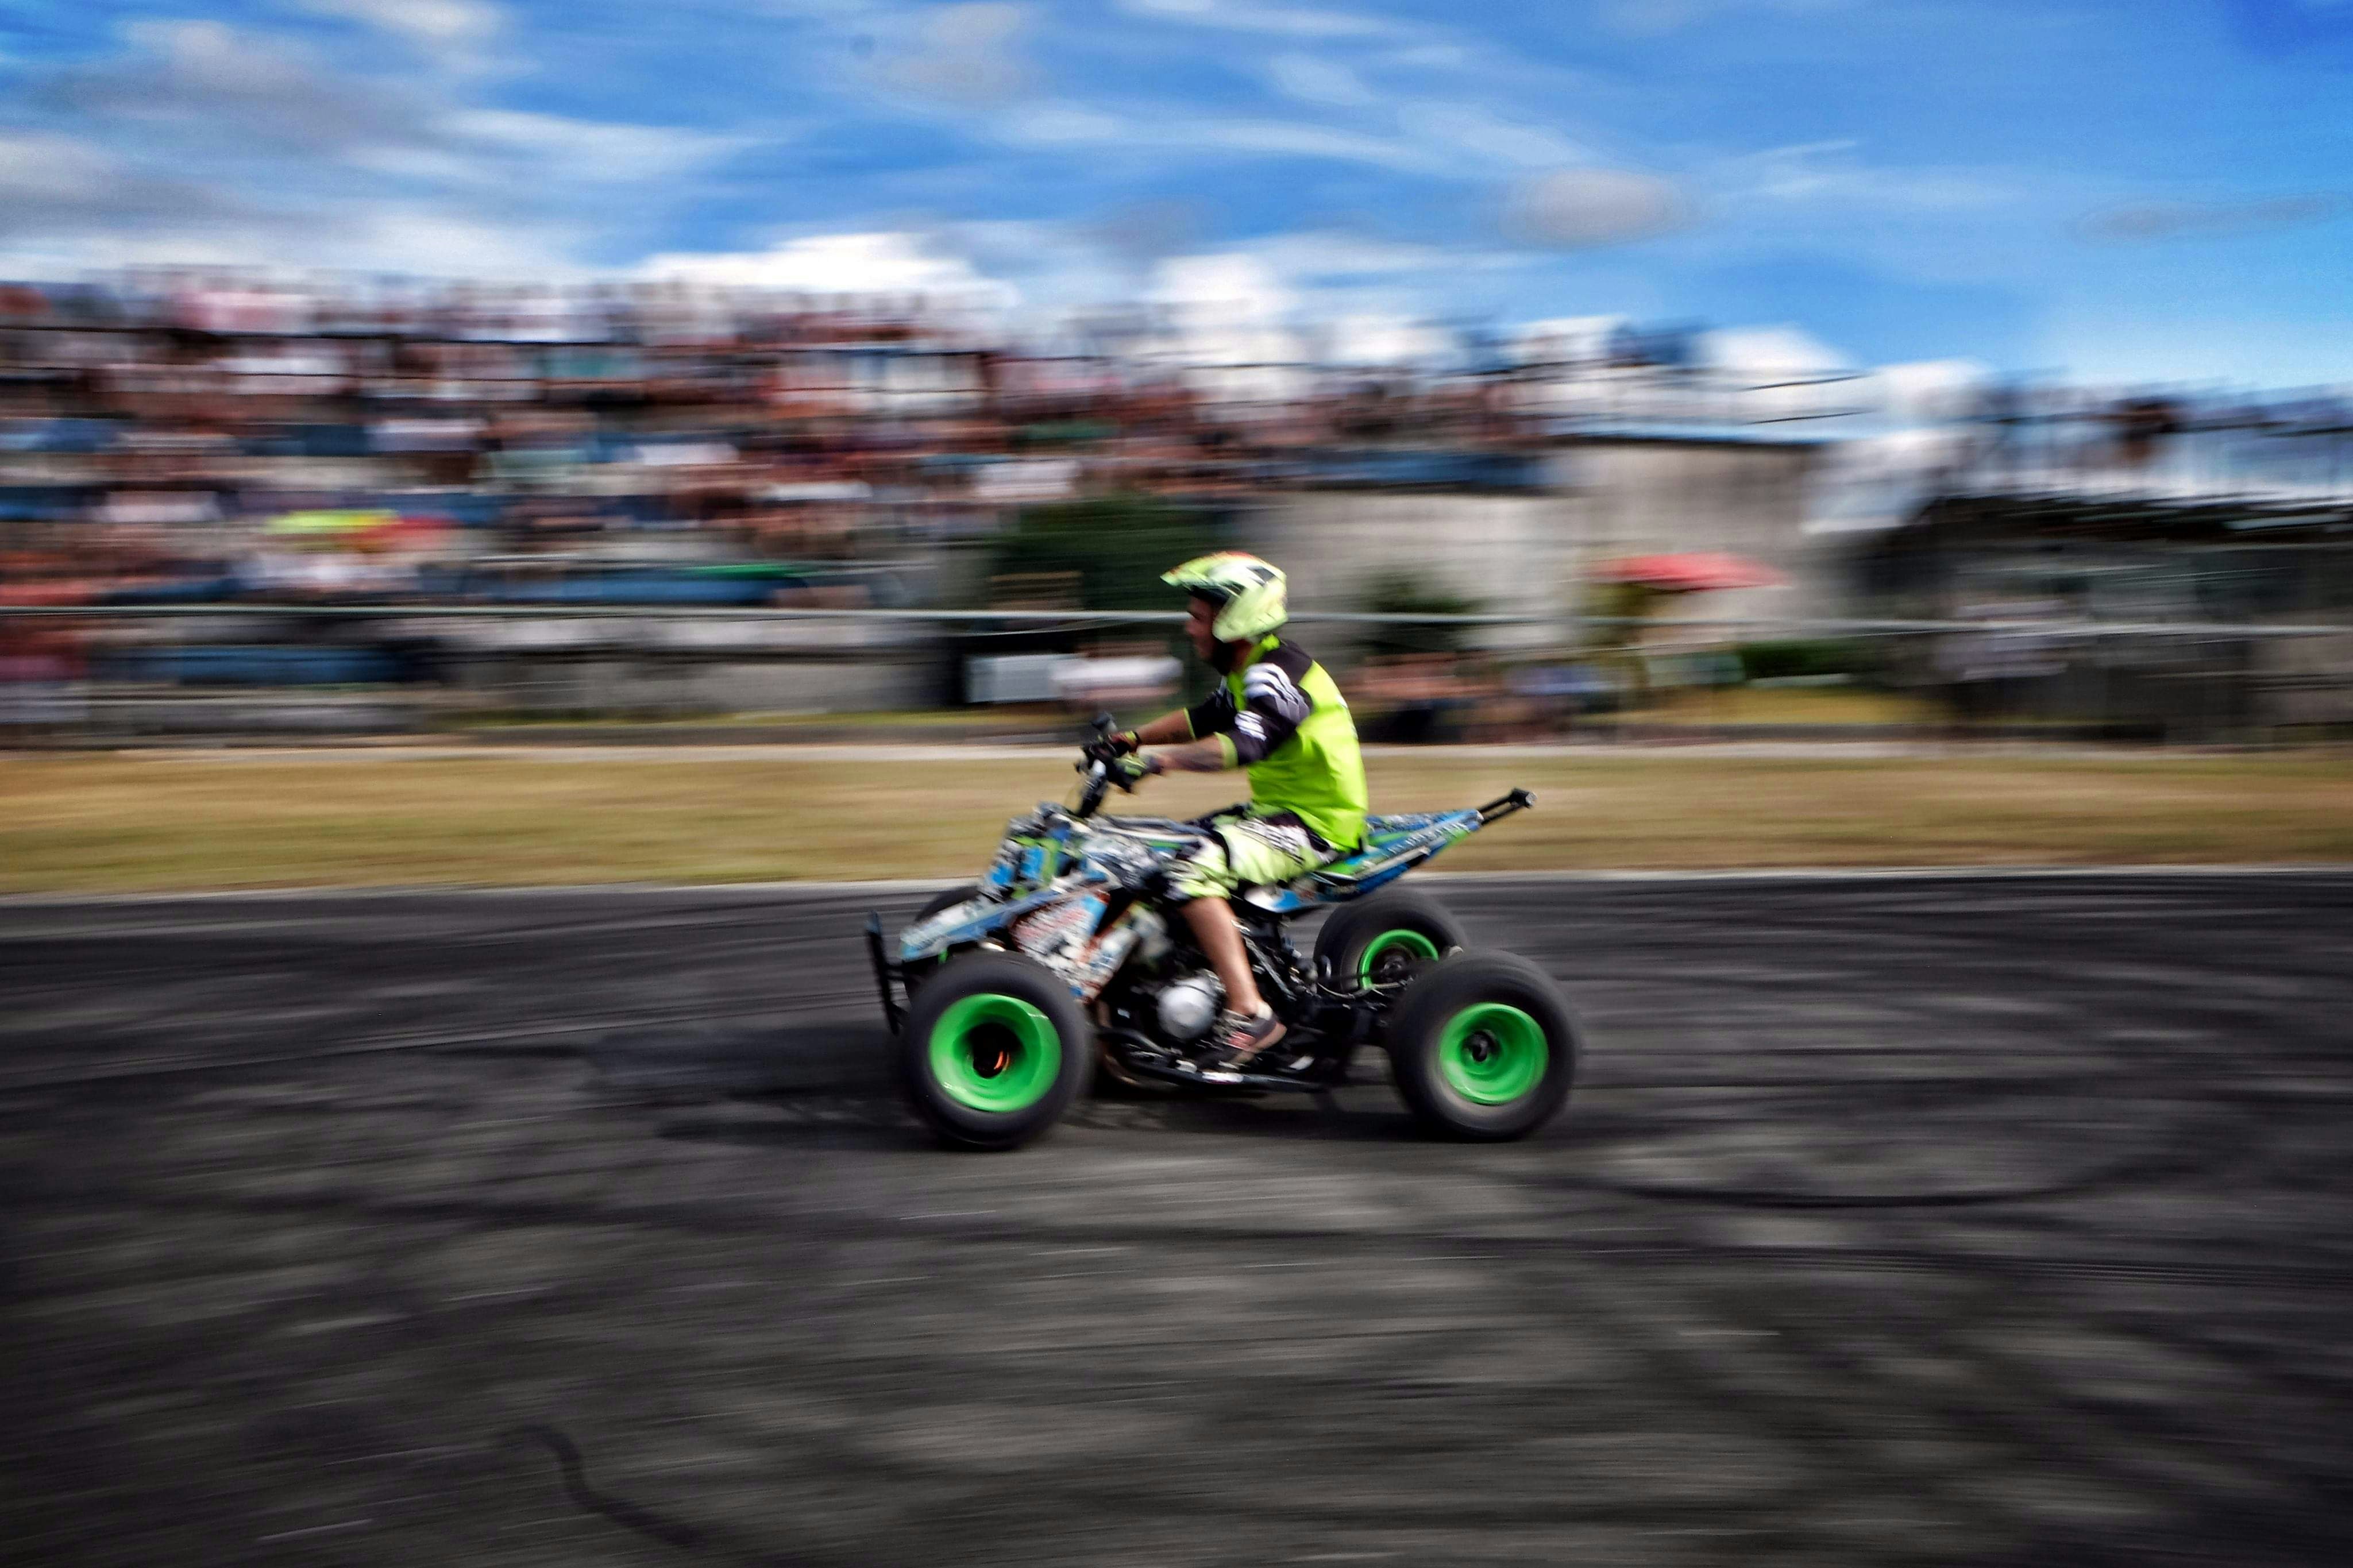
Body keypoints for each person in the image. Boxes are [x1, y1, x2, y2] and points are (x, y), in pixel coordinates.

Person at [1092, 553, 1368, 1068]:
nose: (1189, 626)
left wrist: (1158, 764)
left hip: (1314, 824)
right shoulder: (1249, 670)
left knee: (1190, 871)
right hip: (1278, 811)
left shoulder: (1278, 677)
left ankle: (1249, 1012)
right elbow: (1205, 717)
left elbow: (1245, 745)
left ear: (1234, 621)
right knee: (1152, 852)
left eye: (1199, 617)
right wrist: (1127, 740)